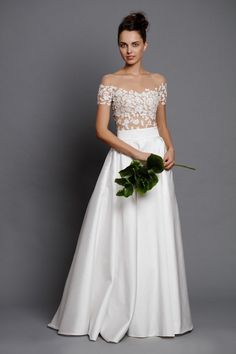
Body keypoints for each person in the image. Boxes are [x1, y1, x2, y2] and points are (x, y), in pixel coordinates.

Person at [47, 11, 194, 343]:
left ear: (146, 45)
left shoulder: (159, 81)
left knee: (155, 231)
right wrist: (137, 154)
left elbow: (162, 123)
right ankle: (114, 305)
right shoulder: (109, 81)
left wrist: (170, 148)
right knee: (121, 229)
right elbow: (101, 130)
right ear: (119, 46)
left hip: (157, 157)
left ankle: (155, 313)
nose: (129, 51)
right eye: (123, 45)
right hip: (126, 157)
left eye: (135, 44)